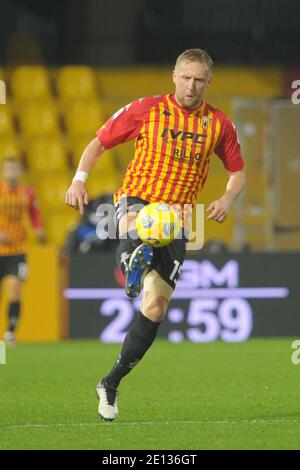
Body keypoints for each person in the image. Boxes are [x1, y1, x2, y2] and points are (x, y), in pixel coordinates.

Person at [65, 48, 246, 421]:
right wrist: (79, 180)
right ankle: (133, 258)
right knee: (139, 223)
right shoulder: (147, 109)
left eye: (199, 79)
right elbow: (99, 141)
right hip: (138, 199)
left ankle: (110, 382)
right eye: (185, 77)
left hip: (180, 220)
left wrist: (227, 197)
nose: (191, 85)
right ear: (174, 76)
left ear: (209, 82)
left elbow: (238, 172)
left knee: (156, 308)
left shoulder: (218, 124)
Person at [0, 157, 45, 346]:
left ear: (19, 171)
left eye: (15, 168)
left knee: (14, 289)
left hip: (18, 250)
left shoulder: (28, 193)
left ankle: (10, 333)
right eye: (8, 168)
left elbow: (34, 214)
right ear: (3, 171)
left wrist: (38, 228)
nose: (12, 172)